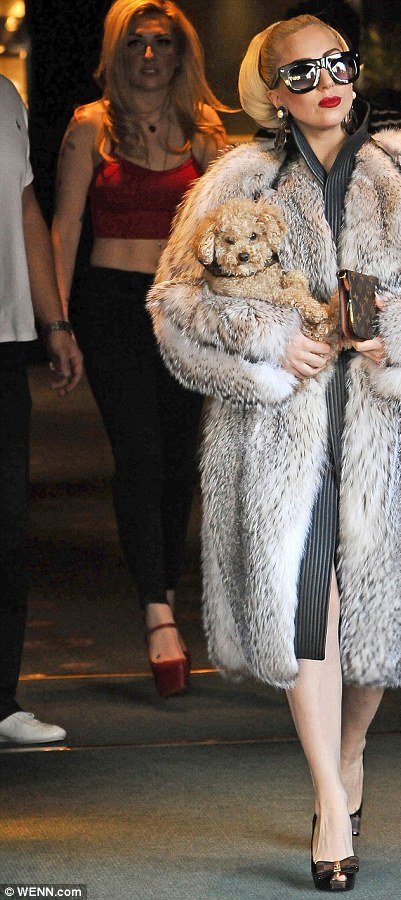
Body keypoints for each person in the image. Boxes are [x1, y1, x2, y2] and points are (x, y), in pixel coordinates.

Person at [148, 14, 401, 891]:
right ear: (271, 91)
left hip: (387, 424)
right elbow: (176, 303)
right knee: (312, 603)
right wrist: (271, 345)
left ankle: (350, 753)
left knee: (379, 617)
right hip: (279, 430)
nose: (326, 83)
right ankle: (329, 803)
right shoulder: (239, 179)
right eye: (302, 72)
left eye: (338, 64)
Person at [51, 0, 228, 699]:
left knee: (180, 459)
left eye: (162, 42)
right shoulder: (89, 127)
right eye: (136, 43)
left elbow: (231, 229)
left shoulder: (204, 129)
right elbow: (64, 229)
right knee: (140, 455)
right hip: (111, 308)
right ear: (116, 52)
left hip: (185, 309)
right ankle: (157, 613)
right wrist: (58, 323)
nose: (150, 55)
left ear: (180, 53)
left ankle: (166, 595)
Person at [0, 75, 84, 745]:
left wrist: (54, 322)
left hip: (3, 345)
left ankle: (1, 700)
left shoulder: (5, 96)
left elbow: (27, 208)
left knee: (7, 528)